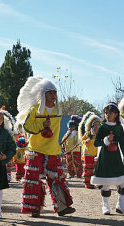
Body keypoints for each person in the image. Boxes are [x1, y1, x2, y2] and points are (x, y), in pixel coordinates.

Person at [16, 76, 76, 217]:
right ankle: (34, 208)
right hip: (35, 149)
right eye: (50, 93)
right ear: (43, 94)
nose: (53, 95)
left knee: (57, 179)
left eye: (54, 92)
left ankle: (61, 207)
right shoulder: (36, 109)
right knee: (33, 179)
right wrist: (41, 125)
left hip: (53, 150)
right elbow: (27, 126)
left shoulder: (58, 110)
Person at [91, 102, 124, 215]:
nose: (107, 115)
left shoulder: (119, 128)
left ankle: (121, 205)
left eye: (110, 113)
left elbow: (123, 144)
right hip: (105, 157)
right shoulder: (103, 127)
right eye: (105, 113)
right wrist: (106, 140)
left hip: (117, 157)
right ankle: (105, 206)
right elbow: (96, 143)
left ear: (116, 114)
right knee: (106, 183)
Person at [78, 112, 101, 189]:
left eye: (98, 125)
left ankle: (98, 183)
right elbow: (82, 140)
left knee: (98, 168)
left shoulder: (101, 133)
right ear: (92, 125)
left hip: (97, 154)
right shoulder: (88, 133)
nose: (97, 126)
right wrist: (86, 141)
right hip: (88, 153)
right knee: (88, 169)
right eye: (95, 125)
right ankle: (88, 184)